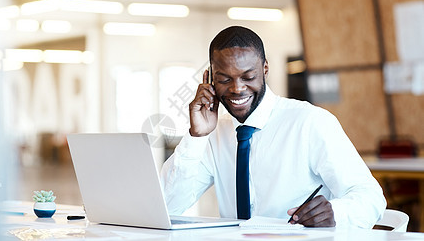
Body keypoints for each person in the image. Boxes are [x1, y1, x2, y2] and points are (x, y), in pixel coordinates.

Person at [160, 26, 386, 228]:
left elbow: (371, 197)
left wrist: (336, 213)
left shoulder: (310, 121)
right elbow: (168, 207)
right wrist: (196, 136)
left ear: (265, 69)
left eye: (248, 76)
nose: (238, 89)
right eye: (224, 79)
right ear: (209, 79)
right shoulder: (214, 133)